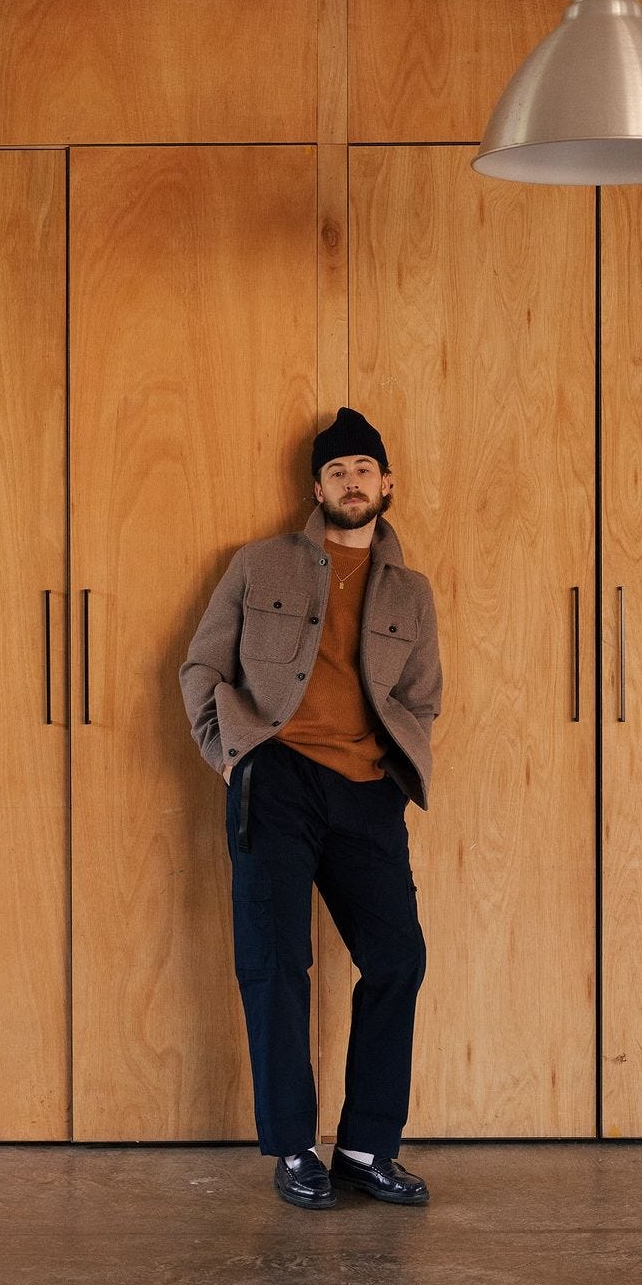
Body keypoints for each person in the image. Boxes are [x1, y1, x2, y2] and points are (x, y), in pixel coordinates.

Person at [179, 407, 442, 1209]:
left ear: (387, 484)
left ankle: (366, 1145)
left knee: (398, 958)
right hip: (278, 781)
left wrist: (396, 775)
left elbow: (422, 698)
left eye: (365, 469)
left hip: (368, 793)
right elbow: (200, 664)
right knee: (275, 962)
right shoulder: (259, 565)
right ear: (316, 487)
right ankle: (295, 1148)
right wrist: (233, 756)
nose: (352, 482)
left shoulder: (411, 590)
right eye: (337, 471)